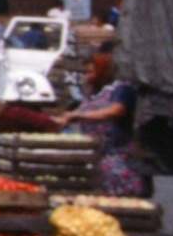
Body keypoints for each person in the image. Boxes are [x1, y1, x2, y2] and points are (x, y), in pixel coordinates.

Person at [60, 54, 147, 197]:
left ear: (103, 71)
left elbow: (115, 111)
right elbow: (83, 108)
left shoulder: (123, 89)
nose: (87, 77)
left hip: (118, 153)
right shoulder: (96, 91)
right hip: (99, 153)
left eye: (90, 72)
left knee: (120, 190)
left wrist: (80, 116)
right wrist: (64, 118)